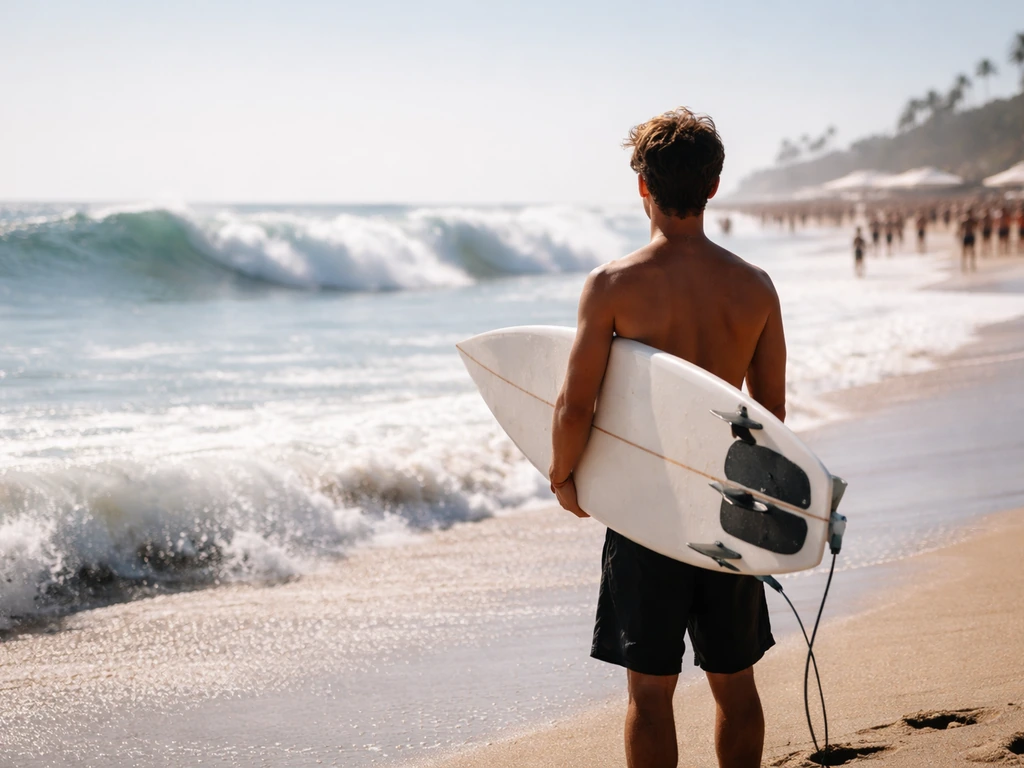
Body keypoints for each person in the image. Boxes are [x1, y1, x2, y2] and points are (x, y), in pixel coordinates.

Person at [549, 107, 784, 768]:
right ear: (713, 187)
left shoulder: (613, 285)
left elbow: (576, 404)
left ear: (643, 188)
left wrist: (565, 475)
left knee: (649, 695)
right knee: (736, 687)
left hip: (645, 512)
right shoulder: (755, 288)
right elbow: (771, 416)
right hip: (726, 507)